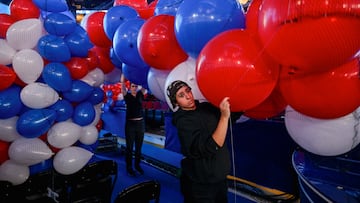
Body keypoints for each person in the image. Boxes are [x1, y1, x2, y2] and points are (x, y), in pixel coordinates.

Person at [166, 80, 234, 203]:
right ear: (176, 102)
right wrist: (224, 117)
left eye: (188, 90)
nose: (188, 96)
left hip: (220, 180)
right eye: (181, 95)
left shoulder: (206, 107)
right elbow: (210, 146)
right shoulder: (183, 122)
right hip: (200, 186)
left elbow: (231, 117)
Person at [121, 74, 147, 176]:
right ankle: (129, 166)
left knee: (139, 147)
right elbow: (122, 84)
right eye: (133, 86)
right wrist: (123, 74)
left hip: (140, 124)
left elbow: (146, 84)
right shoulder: (126, 95)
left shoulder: (140, 94)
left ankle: (137, 165)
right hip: (130, 124)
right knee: (130, 147)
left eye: (136, 86)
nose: (134, 88)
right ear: (129, 87)